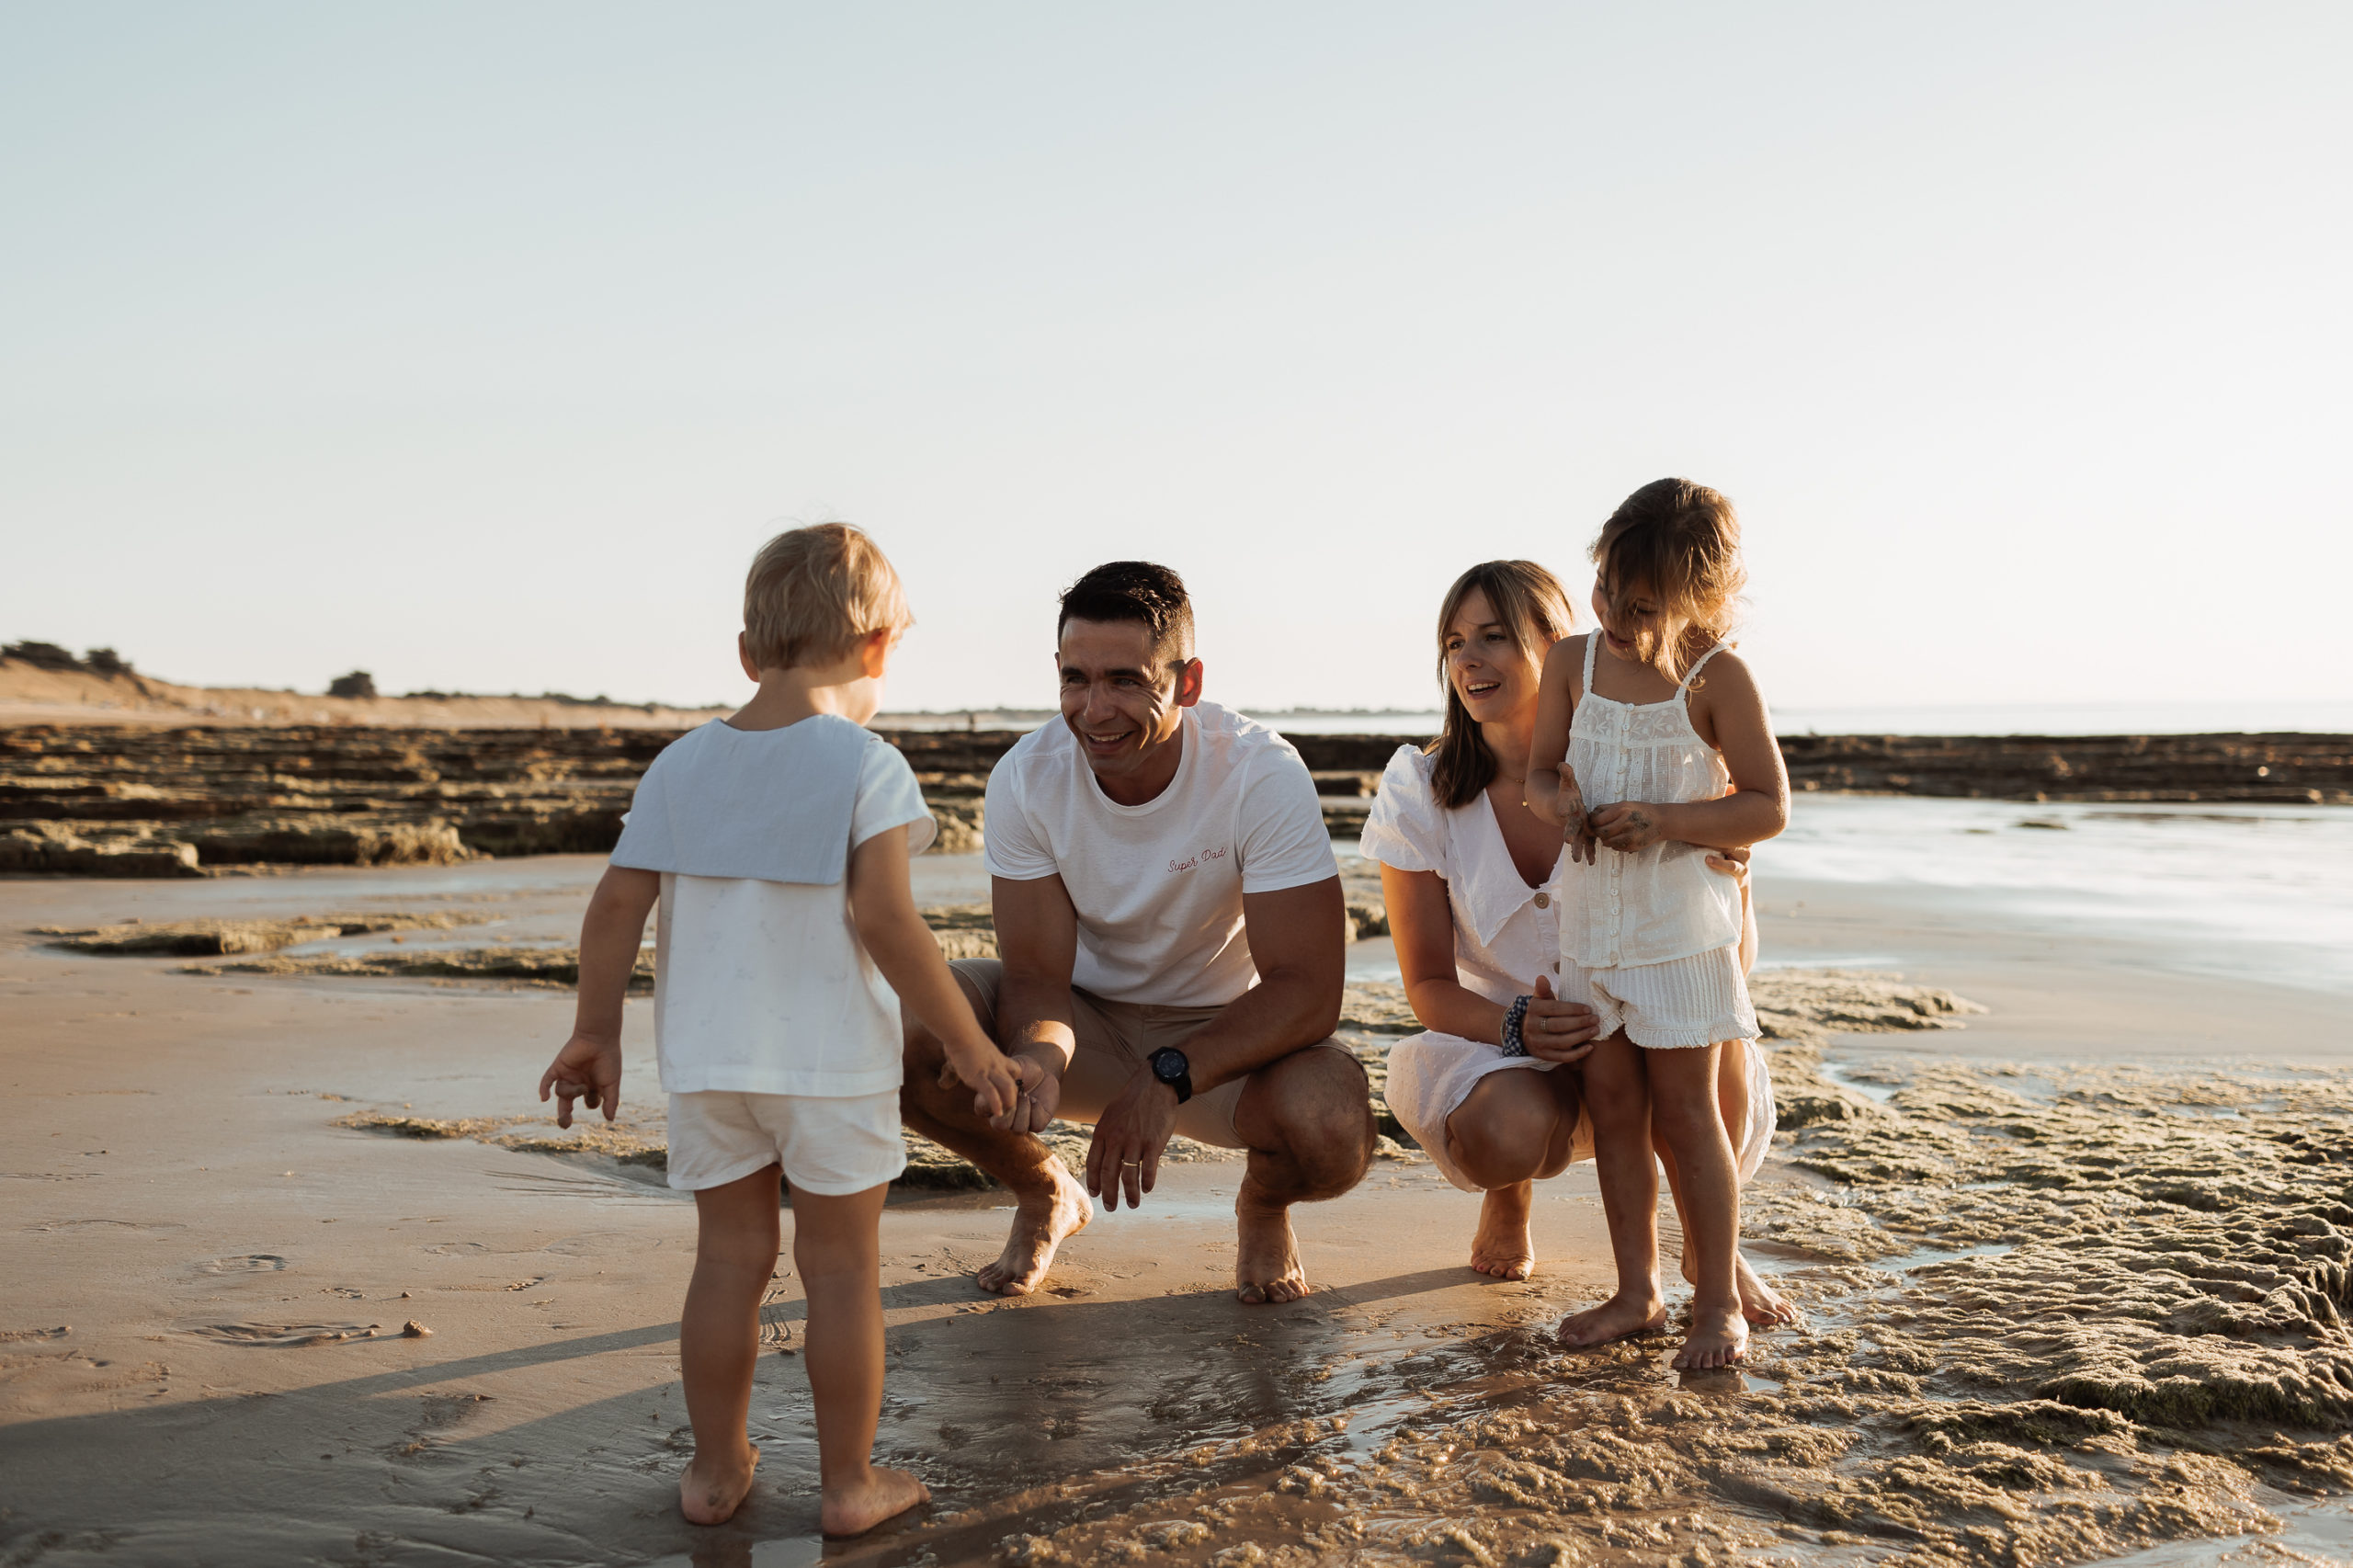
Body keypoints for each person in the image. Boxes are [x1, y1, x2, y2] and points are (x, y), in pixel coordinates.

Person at [535, 525, 1028, 1534]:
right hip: (832, 1067)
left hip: (709, 1065)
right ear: (881, 646)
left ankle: (715, 1471)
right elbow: (886, 921)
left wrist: (597, 1030)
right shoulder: (865, 762)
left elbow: (614, 909)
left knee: (728, 1259)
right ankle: (849, 1483)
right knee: (840, 1267)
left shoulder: (680, 764)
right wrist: (971, 1047)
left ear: (747, 652)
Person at [900, 561, 1377, 1304]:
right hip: (1086, 1020)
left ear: (1186, 683)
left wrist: (1168, 1074)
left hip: (1224, 1044)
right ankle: (1043, 1194)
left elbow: (1308, 994)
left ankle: (1264, 1205)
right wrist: (1038, 1058)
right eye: (1074, 679)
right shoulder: (1027, 779)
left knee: (1333, 1122)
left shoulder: (1258, 773)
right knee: (904, 1028)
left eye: (1126, 680)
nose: (1094, 710)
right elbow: (1035, 978)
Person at [1363, 560, 1789, 1324]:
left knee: (1706, 1031)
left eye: (1494, 637)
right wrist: (1521, 1024)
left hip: (1650, 1035)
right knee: (1504, 1130)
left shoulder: (1644, 778)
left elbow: (1731, 966)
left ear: (1557, 647)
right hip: (1515, 1049)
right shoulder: (1422, 792)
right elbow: (1425, 986)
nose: (1468, 659)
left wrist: (1736, 881)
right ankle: (1508, 1193)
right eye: (1454, 642)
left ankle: (1708, 1251)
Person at [1526, 480, 1791, 1370]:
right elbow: (1538, 772)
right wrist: (1558, 796)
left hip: (1678, 931)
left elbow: (1766, 805)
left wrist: (1666, 820)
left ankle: (1714, 1301)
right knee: (1613, 1107)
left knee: (1685, 1113)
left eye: (1638, 605)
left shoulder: (1717, 677)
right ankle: (1636, 1289)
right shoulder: (1572, 663)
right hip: (1591, 926)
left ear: (1696, 601)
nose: (1609, 610)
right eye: (1603, 585)